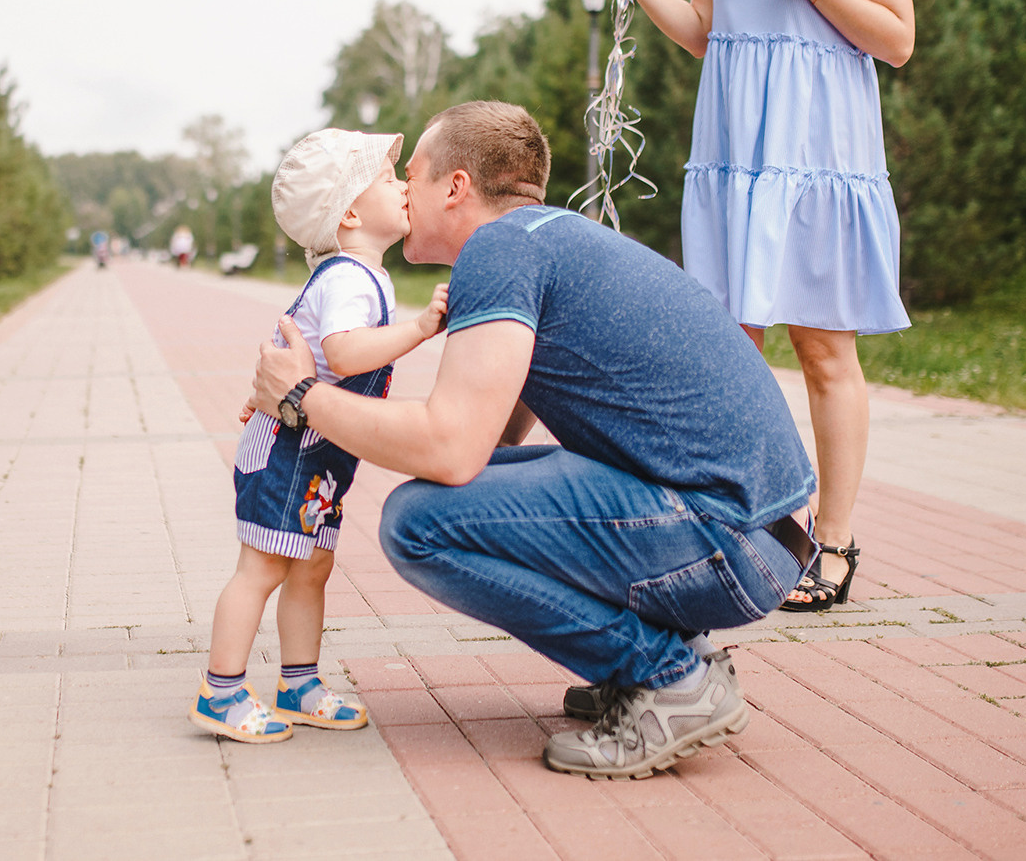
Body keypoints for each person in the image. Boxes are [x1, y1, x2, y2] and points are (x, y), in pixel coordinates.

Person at [249, 102, 816, 779]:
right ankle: (662, 663)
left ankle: (669, 677)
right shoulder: (548, 238)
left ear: (456, 187)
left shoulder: (497, 248)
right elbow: (484, 443)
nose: (402, 191)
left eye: (413, 177)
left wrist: (300, 397)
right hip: (765, 535)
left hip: (730, 540)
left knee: (418, 523)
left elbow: (449, 449)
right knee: (472, 494)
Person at [581, 0, 914, 612]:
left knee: (824, 352)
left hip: (818, 166)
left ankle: (834, 544)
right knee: (731, 350)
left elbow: (897, 40)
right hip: (737, 165)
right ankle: (754, 529)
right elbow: (701, 30)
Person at [193, 129, 450, 743]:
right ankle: (220, 692)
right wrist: (420, 329)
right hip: (288, 451)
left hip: (317, 455)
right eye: (387, 179)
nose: (403, 186)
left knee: (311, 565)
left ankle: (298, 684)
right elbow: (343, 352)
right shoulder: (348, 279)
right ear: (350, 214)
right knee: (262, 568)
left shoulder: (363, 274)